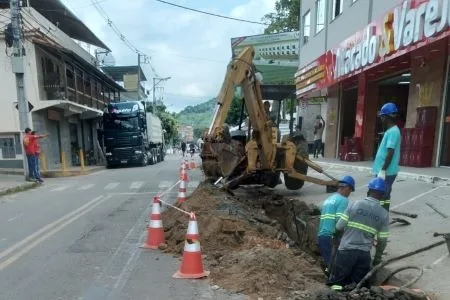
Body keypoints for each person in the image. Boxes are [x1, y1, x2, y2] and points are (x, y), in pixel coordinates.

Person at [327, 178, 389, 291]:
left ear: (369, 191)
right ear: (382, 195)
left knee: (337, 284)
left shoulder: (355, 204)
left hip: (346, 251)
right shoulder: (384, 214)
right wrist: (377, 259)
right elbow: (383, 240)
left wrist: (335, 236)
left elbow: (339, 226)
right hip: (364, 256)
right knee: (357, 288)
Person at [372, 102, 401, 266]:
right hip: (384, 172)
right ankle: (380, 224)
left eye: (382, 116)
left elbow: (390, 152)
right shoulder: (391, 131)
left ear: (387, 116)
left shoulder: (393, 132)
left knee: (380, 201)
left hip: (386, 173)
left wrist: (382, 170)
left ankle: (380, 228)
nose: (381, 119)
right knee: (384, 200)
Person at [317, 175, 355, 276]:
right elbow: (340, 221)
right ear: (346, 187)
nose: (349, 194)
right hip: (331, 236)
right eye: (350, 190)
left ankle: (328, 279)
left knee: (329, 263)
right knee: (334, 267)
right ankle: (334, 286)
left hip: (322, 236)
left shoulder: (329, 199)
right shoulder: (343, 200)